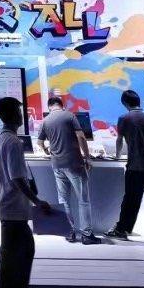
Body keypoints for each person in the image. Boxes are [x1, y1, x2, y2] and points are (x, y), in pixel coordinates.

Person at [0, 96, 52, 288]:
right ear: (13, 114)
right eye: (18, 110)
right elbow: (17, 178)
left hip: (5, 205)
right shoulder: (13, 142)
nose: (21, 114)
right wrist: (37, 201)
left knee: (17, 254)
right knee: (15, 258)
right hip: (13, 208)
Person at [107, 90, 144, 246]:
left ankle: (123, 230)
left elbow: (120, 140)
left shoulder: (124, 119)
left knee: (130, 201)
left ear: (125, 103)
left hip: (135, 167)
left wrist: (117, 155)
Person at [38, 95, 98, 244]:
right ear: (61, 104)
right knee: (83, 200)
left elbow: (40, 142)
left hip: (57, 165)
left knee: (63, 199)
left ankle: (69, 232)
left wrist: (47, 150)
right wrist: (87, 157)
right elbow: (81, 137)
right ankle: (86, 235)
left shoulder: (45, 121)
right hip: (74, 163)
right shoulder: (70, 116)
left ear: (50, 107)